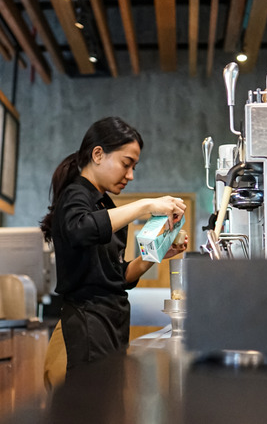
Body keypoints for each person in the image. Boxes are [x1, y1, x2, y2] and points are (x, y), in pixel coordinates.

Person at [40, 116, 187, 378]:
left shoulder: (105, 206)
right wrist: (144, 206)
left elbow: (118, 277)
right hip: (85, 326)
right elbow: (80, 229)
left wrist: (158, 252)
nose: (130, 175)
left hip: (111, 323)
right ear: (98, 154)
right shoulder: (75, 195)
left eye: (134, 167)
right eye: (126, 164)